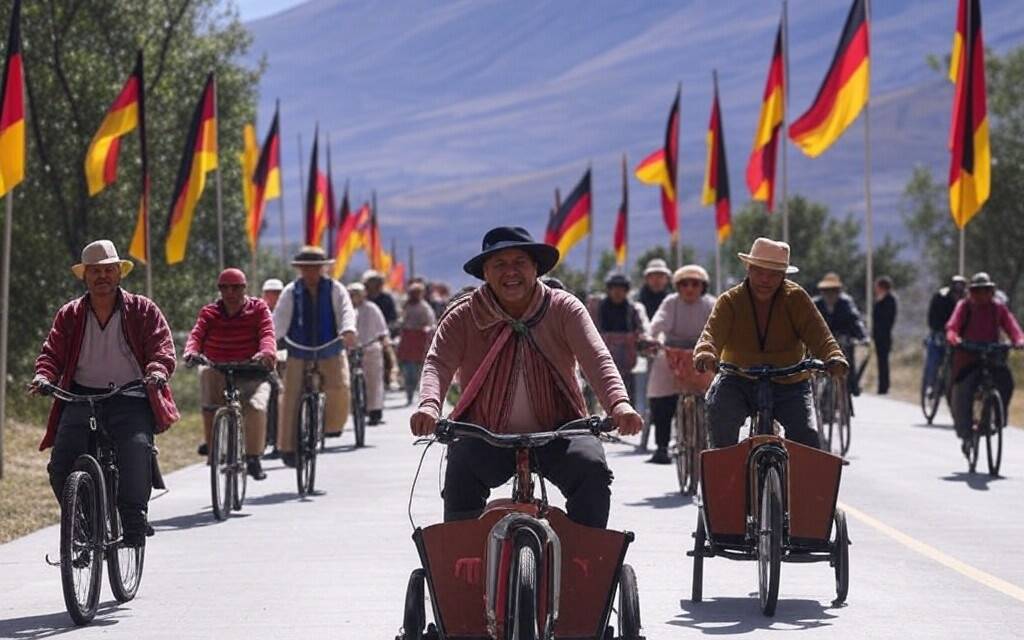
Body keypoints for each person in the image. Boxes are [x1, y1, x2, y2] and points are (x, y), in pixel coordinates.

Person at [410, 226, 643, 528]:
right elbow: (438, 363)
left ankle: (585, 568)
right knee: (460, 474)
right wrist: (429, 406)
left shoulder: (564, 308)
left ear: (536, 268)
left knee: (591, 471)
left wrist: (619, 405)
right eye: (499, 265)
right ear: (485, 273)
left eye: (520, 262)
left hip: (560, 430)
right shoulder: (463, 316)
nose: (511, 272)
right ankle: (462, 571)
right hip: (485, 432)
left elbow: (596, 359)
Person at [30, 240, 179, 547]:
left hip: (131, 396)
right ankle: (82, 524)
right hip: (81, 397)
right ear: (84, 276)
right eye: (95, 271)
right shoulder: (70, 314)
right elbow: (51, 353)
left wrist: (157, 371)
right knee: (60, 466)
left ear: (119, 273)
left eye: (108, 270)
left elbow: (161, 347)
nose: (102, 277)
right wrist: (43, 376)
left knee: (136, 450)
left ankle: (134, 516)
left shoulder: (142, 309)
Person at [694, 238, 847, 450]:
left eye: (774, 273)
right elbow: (710, 334)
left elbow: (820, 335)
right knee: (719, 413)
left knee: (807, 436)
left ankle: (800, 483)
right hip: (738, 379)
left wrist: (833, 356)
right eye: (758, 271)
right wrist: (705, 354)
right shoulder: (730, 300)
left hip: (790, 380)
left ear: (784, 275)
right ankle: (726, 481)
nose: (765, 279)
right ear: (748, 268)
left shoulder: (796, 298)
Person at [183, 268, 276, 480]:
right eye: (224, 287)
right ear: (219, 290)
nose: (230, 292)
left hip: (252, 369)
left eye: (235, 287)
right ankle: (213, 446)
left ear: (244, 288)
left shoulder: (259, 308)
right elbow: (196, 334)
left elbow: (267, 333)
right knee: (206, 374)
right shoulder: (209, 312)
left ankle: (253, 457)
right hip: (218, 366)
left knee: (254, 407)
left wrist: (266, 352)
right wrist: (191, 352)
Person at [273, 246, 356, 466]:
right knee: (290, 394)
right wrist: (270, 341)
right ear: (300, 269)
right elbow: (279, 319)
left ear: (323, 268)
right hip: (298, 348)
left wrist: (348, 330)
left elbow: (346, 311)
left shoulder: (335, 288)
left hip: (329, 346)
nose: (311, 273)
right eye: (306, 268)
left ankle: (331, 427)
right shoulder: (291, 291)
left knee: (339, 386)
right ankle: (288, 448)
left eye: (315, 268)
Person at [644, 265, 715, 464]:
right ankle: (662, 446)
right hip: (672, 355)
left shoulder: (711, 304)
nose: (690, 288)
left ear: (703, 286)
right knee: (659, 392)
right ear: (677, 286)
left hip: (703, 355)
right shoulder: (671, 303)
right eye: (684, 284)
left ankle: (714, 443)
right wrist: (652, 338)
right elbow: (658, 323)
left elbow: (721, 327)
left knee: (719, 393)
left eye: (695, 283)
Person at [945, 272, 1024, 452]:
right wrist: (954, 338)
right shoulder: (964, 307)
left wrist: (1019, 340)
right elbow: (952, 326)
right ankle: (966, 435)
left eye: (986, 290)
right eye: (977, 291)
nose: (982, 295)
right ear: (971, 292)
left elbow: (1012, 327)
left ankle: (996, 418)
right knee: (963, 391)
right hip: (968, 356)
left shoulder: (998, 308)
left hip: (992, 355)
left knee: (1007, 382)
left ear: (991, 291)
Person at [590, 273, 648, 403]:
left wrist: (643, 339)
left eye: (621, 289)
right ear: (608, 289)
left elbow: (642, 331)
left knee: (627, 401)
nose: (617, 292)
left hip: (627, 367)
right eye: (614, 288)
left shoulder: (633, 310)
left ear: (626, 290)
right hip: (600, 364)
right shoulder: (597, 308)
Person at [813, 272, 867, 395]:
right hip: (823, 339)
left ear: (839, 291)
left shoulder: (846, 303)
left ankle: (852, 387)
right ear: (822, 292)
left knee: (848, 361)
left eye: (834, 291)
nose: (830, 294)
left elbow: (855, 320)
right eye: (826, 291)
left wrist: (863, 337)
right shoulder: (815, 304)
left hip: (843, 338)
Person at [347, 282, 388, 425]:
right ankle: (357, 409)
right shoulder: (347, 310)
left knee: (374, 381)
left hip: (371, 348)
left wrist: (384, 341)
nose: (354, 297)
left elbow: (382, 329)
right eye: (352, 294)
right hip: (352, 350)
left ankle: (375, 412)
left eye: (356, 294)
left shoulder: (372, 308)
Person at [924, 275, 967, 391]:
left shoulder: (966, 301)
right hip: (939, 332)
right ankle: (930, 385)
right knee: (934, 359)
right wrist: (939, 330)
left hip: (957, 336)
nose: (957, 295)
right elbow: (932, 317)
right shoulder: (940, 297)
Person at [397, 281, 437, 406]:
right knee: (408, 369)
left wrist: (426, 328)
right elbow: (401, 320)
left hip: (420, 340)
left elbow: (430, 322)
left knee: (419, 368)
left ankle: (420, 393)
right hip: (408, 339)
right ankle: (409, 393)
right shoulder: (406, 306)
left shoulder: (425, 307)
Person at [364, 270, 399, 389]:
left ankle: (390, 376)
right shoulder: (364, 298)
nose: (373, 285)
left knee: (388, 351)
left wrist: (387, 329)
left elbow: (392, 316)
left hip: (382, 332)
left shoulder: (386, 298)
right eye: (371, 282)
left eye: (376, 282)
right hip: (364, 332)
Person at [872, 276, 898, 395]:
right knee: (880, 361)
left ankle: (884, 387)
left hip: (885, 335)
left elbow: (888, 319)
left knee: (883, 361)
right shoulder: (879, 299)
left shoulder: (890, 300)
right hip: (878, 335)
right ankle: (882, 385)